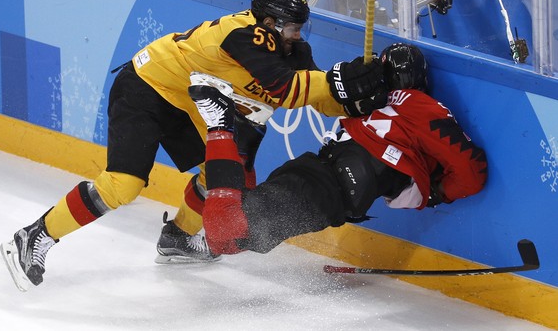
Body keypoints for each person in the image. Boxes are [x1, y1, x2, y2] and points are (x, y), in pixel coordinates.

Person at [0, 0, 385, 291]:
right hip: (148, 87)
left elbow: (317, 96)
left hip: (189, 99)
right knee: (124, 185)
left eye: (302, 27)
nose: (299, 35)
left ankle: (179, 238)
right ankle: (35, 235)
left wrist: (354, 102)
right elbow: (286, 89)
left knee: (220, 169)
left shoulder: (290, 46)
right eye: (292, 27)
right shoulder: (243, 36)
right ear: (268, 23)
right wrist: (339, 83)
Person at [185, 43, 488, 257]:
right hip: (328, 191)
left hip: (313, 171)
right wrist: (440, 192)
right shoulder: (421, 106)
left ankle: (244, 144)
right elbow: (471, 171)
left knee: (234, 220)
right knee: (228, 231)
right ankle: (222, 126)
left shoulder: (369, 100)